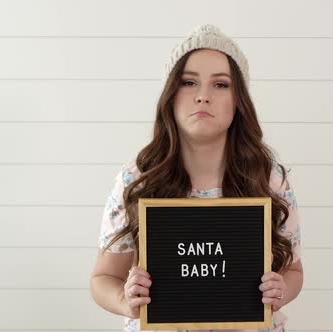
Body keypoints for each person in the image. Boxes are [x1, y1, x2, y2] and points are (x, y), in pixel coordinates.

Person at [90, 24, 303, 332]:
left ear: (239, 100)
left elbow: (293, 270)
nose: (203, 96)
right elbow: (102, 279)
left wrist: (281, 289)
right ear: (171, 95)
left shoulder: (268, 178)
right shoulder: (137, 178)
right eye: (189, 82)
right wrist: (125, 300)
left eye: (221, 85)